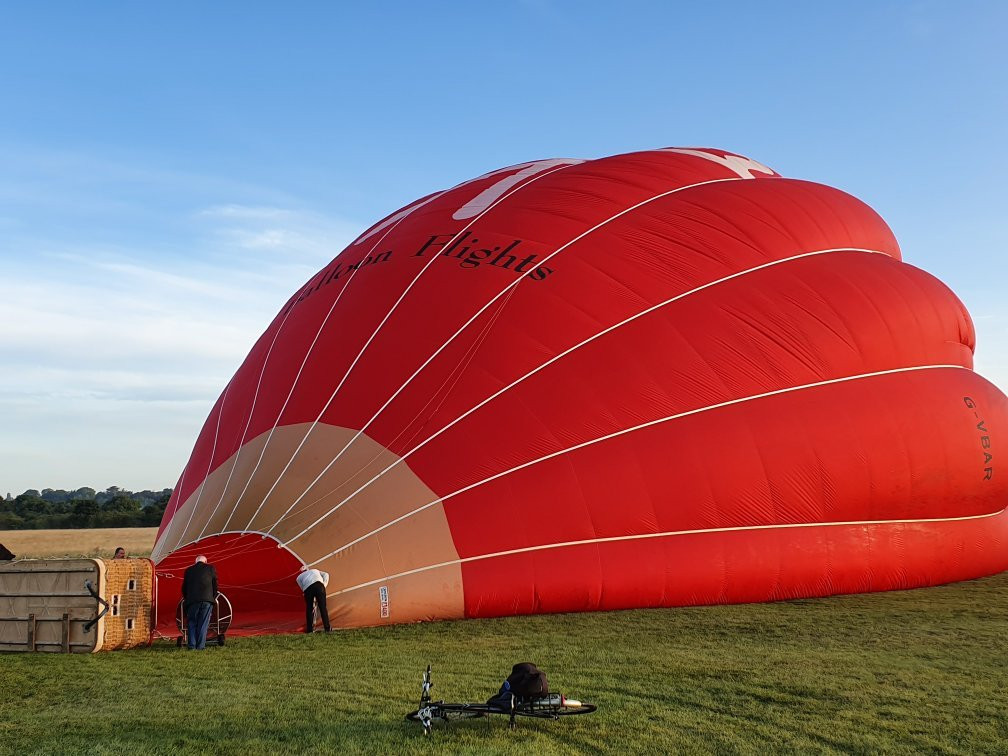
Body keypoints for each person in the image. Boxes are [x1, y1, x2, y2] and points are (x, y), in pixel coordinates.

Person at [181, 555, 218, 650]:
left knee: (192, 623)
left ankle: (192, 646)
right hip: (207, 600)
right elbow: (215, 585)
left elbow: (184, 588)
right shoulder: (210, 568)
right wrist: (212, 598)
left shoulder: (188, 570)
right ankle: (200, 646)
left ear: (195, 562)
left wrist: (187, 598)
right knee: (203, 623)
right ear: (205, 561)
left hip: (192, 600)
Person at [296, 566, 330, 633]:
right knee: (323, 607)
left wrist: (305, 592)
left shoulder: (298, 577)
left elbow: (302, 587)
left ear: (301, 571)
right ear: (307, 569)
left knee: (309, 609)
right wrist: (324, 585)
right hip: (319, 585)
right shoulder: (315, 570)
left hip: (307, 589)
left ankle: (309, 630)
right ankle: (327, 629)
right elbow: (326, 574)